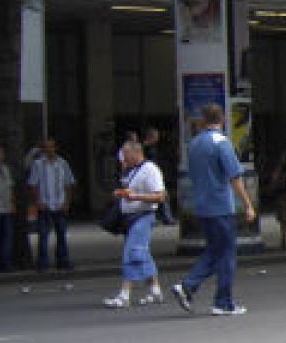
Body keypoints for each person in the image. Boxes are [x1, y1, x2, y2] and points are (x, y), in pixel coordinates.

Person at [171, 104, 256, 316]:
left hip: (201, 205)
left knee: (215, 250)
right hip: (220, 206)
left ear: (202, 120)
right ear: (222, 120)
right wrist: (247, 204)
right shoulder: (221, 142)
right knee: (226, 254)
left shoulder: (195, 143)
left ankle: (190, 287)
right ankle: (221, 301)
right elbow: (234, 177)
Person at [104, 141, 166, 308]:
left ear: (135, 153)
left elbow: (160, 197)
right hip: (131, 217)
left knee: (131, 253)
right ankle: (155, 290)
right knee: (142, 253)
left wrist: (135, 197)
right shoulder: (131, 170)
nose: (122, 158)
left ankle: (124, 295)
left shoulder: (150, 170)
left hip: (143, 216)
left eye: (125, 154)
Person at [27, 137, 76, 272]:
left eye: (51, 147)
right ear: (43, 149)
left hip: (59, 204)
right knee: (43, 236)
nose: (49, 150)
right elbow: (32, 185)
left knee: (61, 234)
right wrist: (37, 202)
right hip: (45, 205)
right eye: (46, 147)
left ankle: (63, 261)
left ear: (55, 148)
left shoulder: (62, 163)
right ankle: (43, 263)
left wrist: (66, 203)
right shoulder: (38, 165)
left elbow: (69, 183)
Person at [142, 127, 176, 225]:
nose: (157, 139)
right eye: (156, 137)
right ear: (151, 136)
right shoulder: (145, 148)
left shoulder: (150, 148)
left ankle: (163, 217)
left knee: (159, 196)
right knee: (162, 195)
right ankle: (166, 217)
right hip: (150, 175)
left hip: (153, 174)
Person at [0, 144, 13, 271]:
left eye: (1, 153)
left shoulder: (5, 169)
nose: (0, 156)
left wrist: (12, 203)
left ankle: (5, 263)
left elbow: (9, 187)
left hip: (6, 208)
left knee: (6, 237)